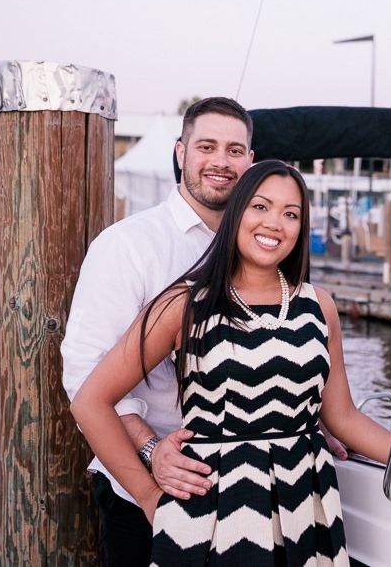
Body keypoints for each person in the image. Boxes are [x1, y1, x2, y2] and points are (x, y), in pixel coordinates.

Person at [71, 160, 391, 566]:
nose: (274, 223)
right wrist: (147, 496)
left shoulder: (319, 306)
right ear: (237, 213)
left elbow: (343, 418)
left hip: (305, 501)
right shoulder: (184, 304)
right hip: (211, 509)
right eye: (260, 206)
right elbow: (90, 402)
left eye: (291, 214)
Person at [61, 97, 335, 565]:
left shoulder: (264, 250)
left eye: (235, 150)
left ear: (250, 161)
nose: (221, 162)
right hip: (156, 485)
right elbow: (85, 378)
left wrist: (303, 417)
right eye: (206, 146)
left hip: (260, 489)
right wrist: (151, 461)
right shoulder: (128, 246)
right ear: (180, 152)